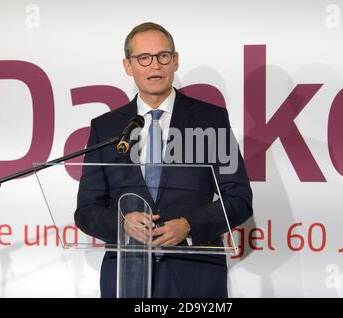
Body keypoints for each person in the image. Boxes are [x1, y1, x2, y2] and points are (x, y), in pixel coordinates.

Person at [74, 22, 253, 298]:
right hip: (125, 277)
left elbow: (239, 198)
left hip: (196, 276)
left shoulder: (211, 120)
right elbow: (86, 209)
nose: (154, 65)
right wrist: (122, 224)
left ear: (175, 61)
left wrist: (189, 224)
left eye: (163, 56)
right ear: (128, 65)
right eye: (143, 58)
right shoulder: (106, 128)